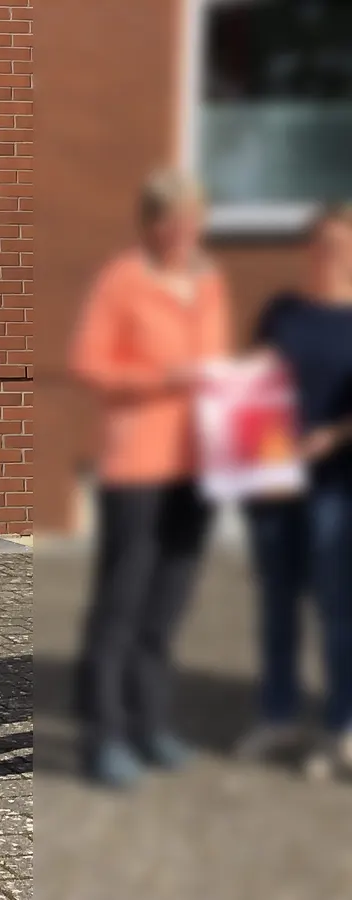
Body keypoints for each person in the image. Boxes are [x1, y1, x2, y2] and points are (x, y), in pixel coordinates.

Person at [69, 169, 232, 788]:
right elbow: (91, 363)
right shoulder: (123, 280)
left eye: (194, 218)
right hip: (138, 466)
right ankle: (105, 735)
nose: (184, 229)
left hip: (201, 466)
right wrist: (166, 377)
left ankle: (151, 724)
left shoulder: (209, 281)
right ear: (153, 223)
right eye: (173, 218)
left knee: (169, 606)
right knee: (123, 604)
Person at [236, 204, 352, 780]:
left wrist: (333, 435)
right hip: (274, 476)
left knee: (336, 605)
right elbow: (255, 376)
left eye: (342, 241)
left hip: (336, 481)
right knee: (277, 599)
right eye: (323, 241)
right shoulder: (285, 310)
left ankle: (341, 726)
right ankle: (279, 715)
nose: (330, 251)